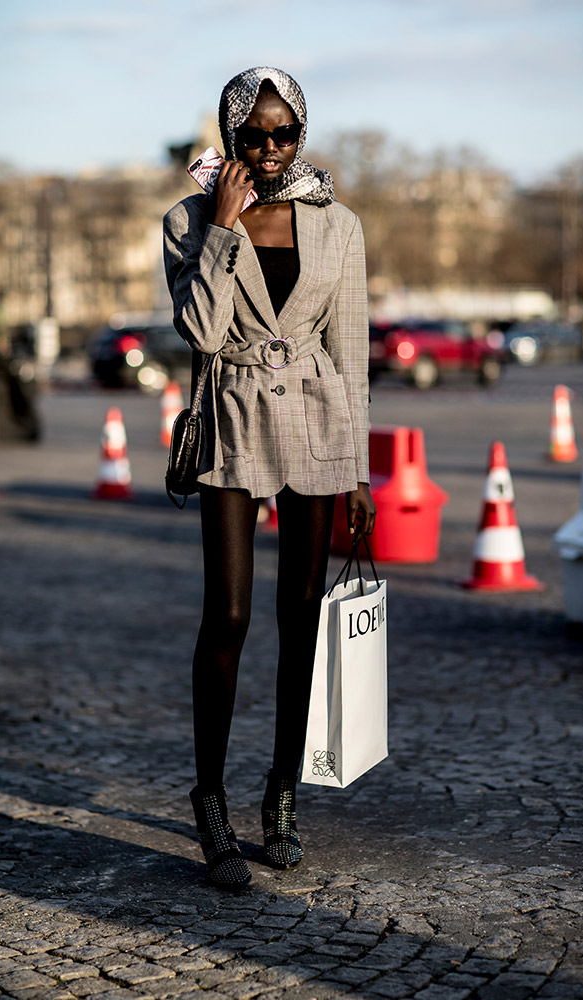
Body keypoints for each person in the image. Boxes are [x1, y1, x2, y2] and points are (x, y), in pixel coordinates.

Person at [163, 67, 375, 889]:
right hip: (233, 418)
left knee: (300, 617)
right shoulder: (190, 218)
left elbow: (349, 352)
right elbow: (201, 328)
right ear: (230, 134)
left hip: (317, 422)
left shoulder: (339, 225)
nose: (271, 148)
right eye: (253, 135)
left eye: (285, 133)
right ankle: (209, 798)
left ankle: (281, 794)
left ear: (302, 132)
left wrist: (354, 469)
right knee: (230, 614)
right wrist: (224, 225)